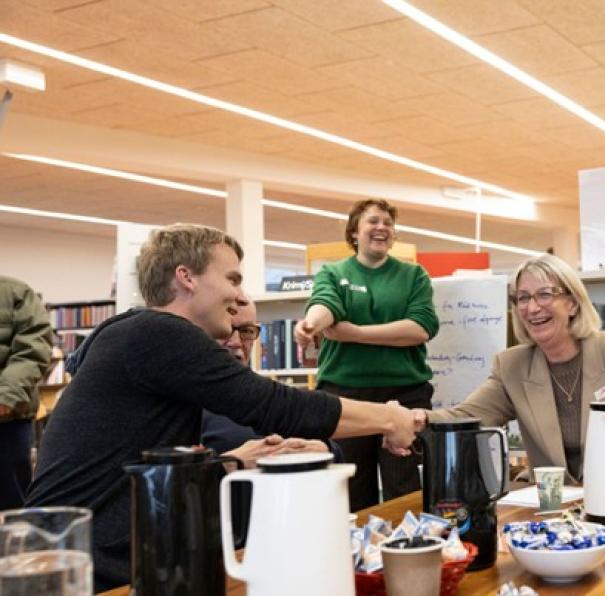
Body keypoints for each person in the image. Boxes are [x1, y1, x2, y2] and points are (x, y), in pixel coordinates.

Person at [27, 223, 417, 591]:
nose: (238, 296)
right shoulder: (158, 333)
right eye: (232, 278)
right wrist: (388, 417)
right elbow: (274, 406)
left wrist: (230, 462)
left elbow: (149, 469)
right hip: (82, 568)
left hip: (92, 556)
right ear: (186, 277)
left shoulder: (137, 337)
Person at [416, 253, 605, 486]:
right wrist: (412, 419)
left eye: (544, 295)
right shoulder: (511, 366)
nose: (531, 308)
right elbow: (463, 418)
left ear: (573, 304)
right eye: (523, 298)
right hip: (555, 515)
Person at [294, 199, 439, 511]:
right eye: (373, 221)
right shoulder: (333, 273)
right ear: (354, 232)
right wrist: (310, 324)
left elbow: (420, 327)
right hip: (345, 394)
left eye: (388, 223)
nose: (382, 228)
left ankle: (409, 551)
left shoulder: (414, 276)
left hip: (404, 394)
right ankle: (358, 557)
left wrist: (355, 334)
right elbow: (325, 305)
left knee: (404, 485)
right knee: (351, 486)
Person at [201, 297, 336, 460]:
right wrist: (233, 462)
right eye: (225, 330)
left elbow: (334, 451)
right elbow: (171, 477)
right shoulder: (185, 401)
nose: (236, 342)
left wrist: (323, 449)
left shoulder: (275, 395)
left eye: (246, 331)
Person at [0, 275, 53, 509]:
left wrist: (5, 398)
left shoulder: (16, 293)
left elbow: (33, 348)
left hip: (8, 421)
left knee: (11, 509)